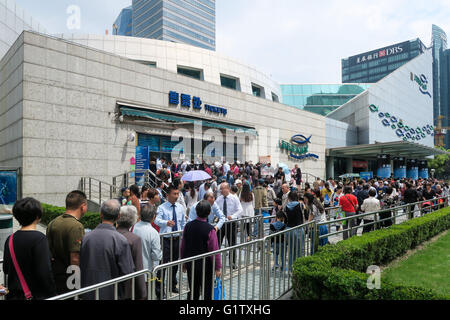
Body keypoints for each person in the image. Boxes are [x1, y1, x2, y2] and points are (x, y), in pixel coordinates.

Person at [80, 199, 135, 300]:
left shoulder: (86, 237)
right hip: (112, 293)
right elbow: (127, 271)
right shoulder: (121, 240)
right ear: (118, 216)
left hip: (88, 293)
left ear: (101, 215)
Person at [3, 198, 56, 300]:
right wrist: (53, 295)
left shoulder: (10, 239)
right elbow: (44, 273)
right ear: (37, 216)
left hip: (13, 296)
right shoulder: (39, 239)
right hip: (34, 295)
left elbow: (6, 269)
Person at [46, 190, 87, 295]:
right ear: (83, 206)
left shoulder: (53, 222)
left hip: (54, 274)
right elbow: (75, 258)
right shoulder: (76, 226)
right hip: (69, 279)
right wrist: (77, 283)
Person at [181, 200, 222, 300]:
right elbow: (214, 250)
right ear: (209, 213)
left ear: (196, 211)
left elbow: (183, 246)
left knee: (193, 291)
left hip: (191, 263)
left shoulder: (188, 226)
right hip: (206, 266)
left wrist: (184, 262)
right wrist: (217, 267)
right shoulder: (210, 229)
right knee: (207, 291)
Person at [155, 184, 186, 293]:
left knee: (174, 264)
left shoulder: (180, 207)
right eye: (174, 194)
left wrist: (183, 235)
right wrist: (166, 223)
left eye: (178, 193)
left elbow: (182, 223)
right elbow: (156, 220)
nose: (176, 196)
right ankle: (159, 289)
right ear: (167, 195)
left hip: (177, 239)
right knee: (162, 265)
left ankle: (172, 285)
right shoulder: (162, 207)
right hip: (165, 240)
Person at [116, 206, 147, 300]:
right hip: (127, 287)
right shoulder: (134, 239)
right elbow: (138, 266)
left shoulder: (110, 235)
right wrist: (143, 292)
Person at [132, 205, 162, 298]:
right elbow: (156, 255)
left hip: (132, 270)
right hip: (146, 271)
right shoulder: (153, 232)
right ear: (154, 217)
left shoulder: (132, 227)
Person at [215, 182, 243, 268]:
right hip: (221, 223)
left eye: (222, 188)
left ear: (228, 189)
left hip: (231, 223)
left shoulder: (234, 198)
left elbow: (240, 210)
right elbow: (215, 209)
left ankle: (233, 262)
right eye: (220, 189)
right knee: (217, 243)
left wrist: (233, 216)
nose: (221, 190)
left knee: (232, 243)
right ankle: (217, 263)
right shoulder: (219, 199)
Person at [284, 192, 306, 270]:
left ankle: (290, 268)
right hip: (299, 229)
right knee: (300, 250)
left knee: (290, 250)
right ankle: (298, 268)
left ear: (289, 198)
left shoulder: (286, 206)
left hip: (289, 229)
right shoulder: (300, 205)